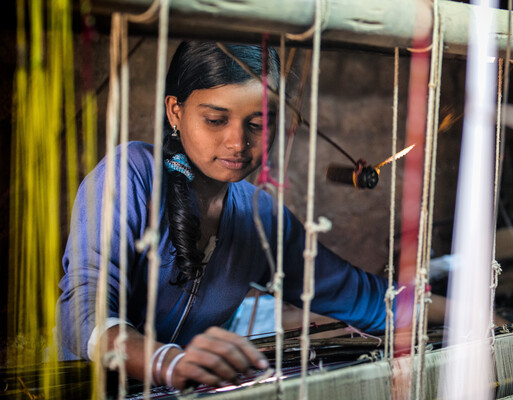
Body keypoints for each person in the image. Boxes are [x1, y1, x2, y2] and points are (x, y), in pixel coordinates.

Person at [57, 41, 388, 390]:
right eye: (216, 120)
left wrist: (449, 307)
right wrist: (167, 362)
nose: (236, 142)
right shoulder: (131, 175)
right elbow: (81, 309)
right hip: (80, 387)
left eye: (259, 123)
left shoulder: (260, 215)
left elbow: (365, 299)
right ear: (175, 112)